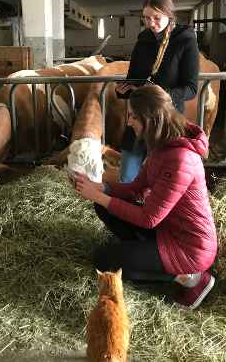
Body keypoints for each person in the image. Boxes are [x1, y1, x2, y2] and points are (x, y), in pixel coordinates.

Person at [72, 85, 217, 310]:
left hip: (189, 247)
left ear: (150, 119)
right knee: (103, 206)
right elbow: (137, 189)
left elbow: (150, 218)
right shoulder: (162, 147)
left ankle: (192, 278)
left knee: (104, 260)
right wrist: (101, 188)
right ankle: (143, 255)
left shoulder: (180, 159)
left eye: (132, 116)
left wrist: (101, 197)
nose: (128, 121)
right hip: (169, 230)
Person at [116, 0, 199, 183]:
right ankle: (129, 210)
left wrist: (162, 93)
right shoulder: (142, 40)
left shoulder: (185, 40)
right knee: (127, 176)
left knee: (163, 179)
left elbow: (191, 88)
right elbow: (133, 78)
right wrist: (123, 91)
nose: (151, 23)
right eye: (146, 18)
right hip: (138, 118)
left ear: (169, 15)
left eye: (156, 17)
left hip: (166, 120)